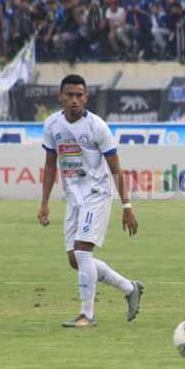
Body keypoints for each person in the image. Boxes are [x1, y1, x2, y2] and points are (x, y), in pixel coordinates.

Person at [38, 74, 143, 328]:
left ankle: (87, 315)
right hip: (74, 198)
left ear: (86, 97)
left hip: (96, 195)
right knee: (75, 259)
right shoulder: (52, 125)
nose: (74, 100)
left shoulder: (97, 127)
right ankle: (130, 288)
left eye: (79, 95)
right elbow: (50, 164)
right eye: (69, 95)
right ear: (60, 97)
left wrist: (127, 206)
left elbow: (116, 168)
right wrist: (44, 203)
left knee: (83, 251)